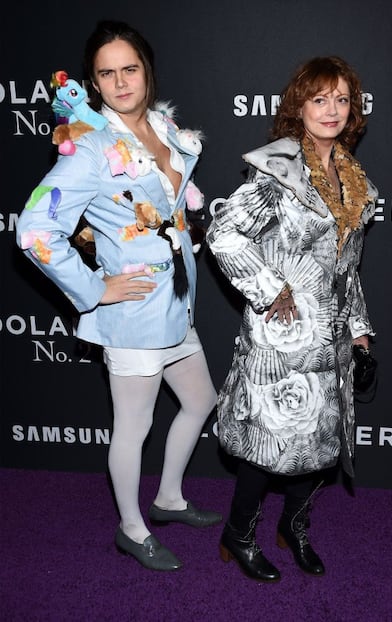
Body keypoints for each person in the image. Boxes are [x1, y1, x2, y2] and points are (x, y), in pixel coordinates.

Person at [16, 19, 221, 572]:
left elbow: (173, 205)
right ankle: (132, 529)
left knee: (201, 401)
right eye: (106, 73)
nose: (120, 82)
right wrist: (94, 289)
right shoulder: (89, 150)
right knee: (134, 427)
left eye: (129, 68)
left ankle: (169, 498)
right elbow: (34, 231)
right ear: (94, 83)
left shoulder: (166, 128)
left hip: (176, 303)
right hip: (132, 311)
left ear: (146, 71)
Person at [207, 56, 377, 582]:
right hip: (280, 342)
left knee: (320, 447)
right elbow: (222, 233)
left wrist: (360, 331)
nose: (331, 110)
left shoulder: (353, 179)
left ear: (354, 110)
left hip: (330, 340)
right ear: (299, 106)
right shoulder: (278, 171)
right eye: (320, 98)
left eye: (342, 99)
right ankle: (237, 535)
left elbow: (345, 268)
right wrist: (269, 287)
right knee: (268, 447)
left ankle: (292, 528)